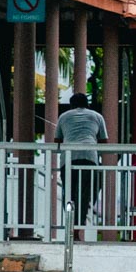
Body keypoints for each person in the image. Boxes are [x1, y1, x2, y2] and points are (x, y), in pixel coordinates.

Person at [54, 92, 110, 227]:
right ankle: (80, 225)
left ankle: (70, 225)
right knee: (85, 194)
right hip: (89, 157)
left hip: (68, 158)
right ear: (87, 104)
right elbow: (104, 141)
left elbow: (57, 140)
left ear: (71, 105)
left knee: (69, 193)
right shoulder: (97, 116)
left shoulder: (64, 117)